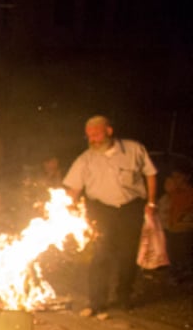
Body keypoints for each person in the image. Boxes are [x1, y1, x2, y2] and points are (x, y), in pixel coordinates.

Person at [62, 115, 157, 315]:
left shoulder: (134, 149)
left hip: (130, 208)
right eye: (89, 136)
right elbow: (73, 188)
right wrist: (65, 209)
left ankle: (124, 296)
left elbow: (151, 173)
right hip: (101, 210)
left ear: (109, 131)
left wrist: (151, 202)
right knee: (101, 254)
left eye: (96, 135)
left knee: (127, 255)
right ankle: (96, 301)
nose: (93, 140)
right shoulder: (85, 159)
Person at [158, 169, 193, 285]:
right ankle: (177, 273)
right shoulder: (171, 195)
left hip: (185, 230)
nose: (174, 180)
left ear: (186, 178)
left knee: (184, 252)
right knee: (173, 252)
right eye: (173, 177)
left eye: (178, 177)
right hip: (173, 229)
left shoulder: (189, 193)